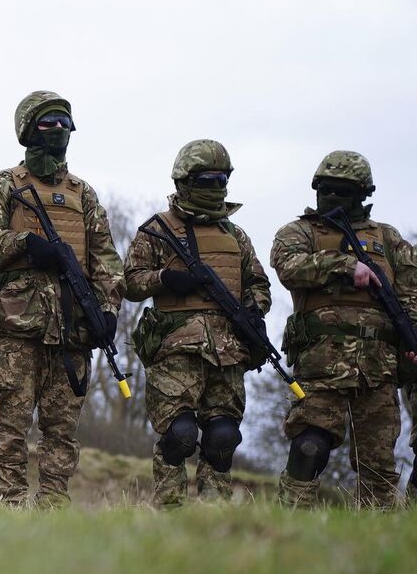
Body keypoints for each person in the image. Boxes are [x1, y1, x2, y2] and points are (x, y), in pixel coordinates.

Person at [0, 91, 122, 507]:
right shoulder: (6, 186)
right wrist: (26, 244)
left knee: (62, 431)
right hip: (19, 326)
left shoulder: (83, 195)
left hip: (73, 329)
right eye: (47, 124)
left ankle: (53, 508)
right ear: (28, 132)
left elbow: (107, 260)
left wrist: (108, 310)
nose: (57, 131)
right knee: (11, 426)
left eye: (63, 124)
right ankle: (7, 505)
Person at [120, 140, 271, 508]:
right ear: (185, 181)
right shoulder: (157, 230)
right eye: (207, 178)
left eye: (222, 178)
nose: (215, 185)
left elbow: (258, 284)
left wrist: (255, 311)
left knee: (222, 438)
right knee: (180, 435)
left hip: (228, 352)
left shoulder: (235, 236)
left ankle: (213, 516)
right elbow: (129, 282)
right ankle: (169, 512)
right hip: (175, 351)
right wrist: (165, 279)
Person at [269, 151, 417, 508]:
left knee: (378, 465)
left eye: (342, 191)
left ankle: (375, 535)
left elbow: (411, 295)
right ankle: (289, 526)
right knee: (309, 447)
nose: (331, 198)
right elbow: (288, 267)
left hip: (378, 369)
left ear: (363, 194)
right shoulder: (299, 231)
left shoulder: (390, 240)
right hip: (321, 365)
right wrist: (344, 265)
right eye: (326, 189)